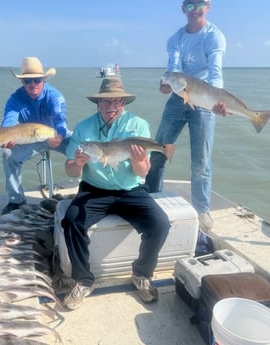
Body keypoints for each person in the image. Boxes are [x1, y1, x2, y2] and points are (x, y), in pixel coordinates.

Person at [61, 77, 171, 310]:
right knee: (71, 221)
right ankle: (83, 280)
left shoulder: (138, 125)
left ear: (123, 102)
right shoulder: (83, 128)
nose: (111, 105)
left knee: (160, 223)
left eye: (117, 101)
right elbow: (70, 170)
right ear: (98, 104)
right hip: (94, 190)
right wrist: (79, 164)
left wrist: (140, 161)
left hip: (130, 189)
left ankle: (142, 274)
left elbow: (142, 171)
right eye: (105, 101)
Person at [145, 0, 227, 232]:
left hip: (204, 99)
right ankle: (151, 198)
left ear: (208, 6)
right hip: (177, 98)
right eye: (189, 5)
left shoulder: (214, 36)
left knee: (201, 161)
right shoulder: (175, 39)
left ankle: (202, 210)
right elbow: (172, 69)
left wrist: (216, 101)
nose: (195, 10)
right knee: (159, 150)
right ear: (183, 9)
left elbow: (215, 72)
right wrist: (165, 83)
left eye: (199, 4)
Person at [1, 57, 71, 215]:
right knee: (8, 155)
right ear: (22, 82)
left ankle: (89, 191)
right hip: (31, 139)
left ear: (44, 79)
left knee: (85, 148)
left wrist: (59, 136)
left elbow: (61, 121)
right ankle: (16, 200)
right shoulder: (15, 98)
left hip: (56, 135)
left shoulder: (55, 96)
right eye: (27, 80)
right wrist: (6, 138)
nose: (33, 84)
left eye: (37, 80)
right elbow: (9, 121)